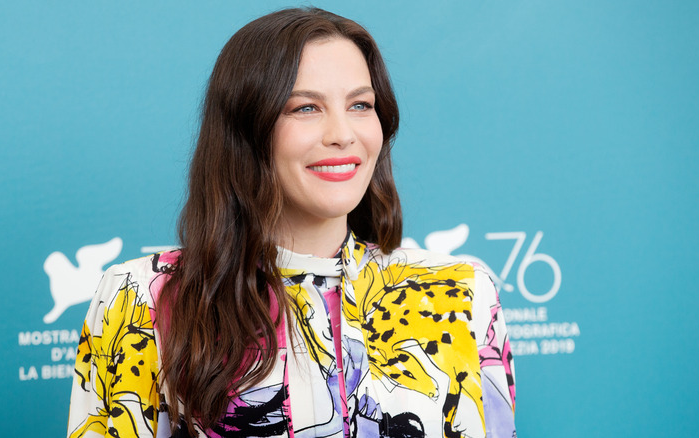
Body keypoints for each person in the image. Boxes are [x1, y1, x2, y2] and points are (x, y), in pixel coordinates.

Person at [67, 7, 515, 438]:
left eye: (360, 105)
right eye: (305, 108)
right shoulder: (142, 299)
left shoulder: (463, 292)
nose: (342, 133)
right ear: (246, 130)